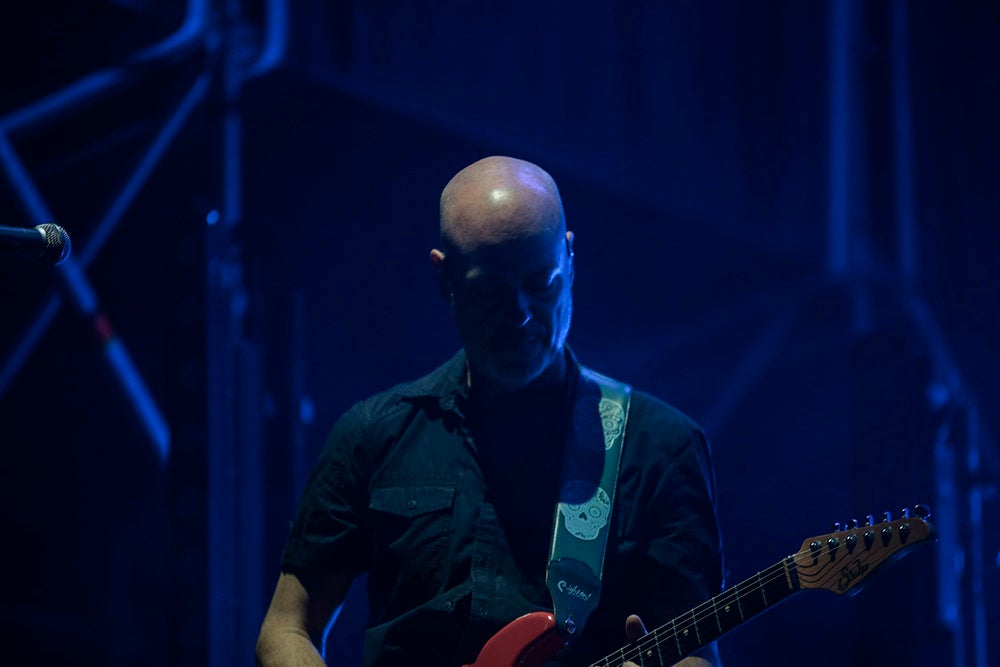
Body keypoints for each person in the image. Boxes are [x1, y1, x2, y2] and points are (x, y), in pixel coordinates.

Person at [255, 156, 724, 667]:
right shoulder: (371, 435)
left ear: (569, 259)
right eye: (489, 292)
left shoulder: (660, 446)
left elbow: (697, 652)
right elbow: (286, 627)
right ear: (445, 278)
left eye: (541, 283)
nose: (519, 314)